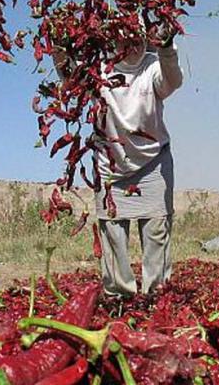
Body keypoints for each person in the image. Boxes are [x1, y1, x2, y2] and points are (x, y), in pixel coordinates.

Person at [55, 30, 183, 297]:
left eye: (137, 38)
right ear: (112, 40)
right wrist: (59, 49)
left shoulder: (153, 66)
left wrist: (168, 48)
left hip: (153, 161)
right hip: (111, 164)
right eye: (123, 38)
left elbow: (173, 81)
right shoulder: (97, 70)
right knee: (113, 232)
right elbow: (70, 81)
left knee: (156, 229)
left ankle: (155, 295)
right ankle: (119, 295)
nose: (131, 44)